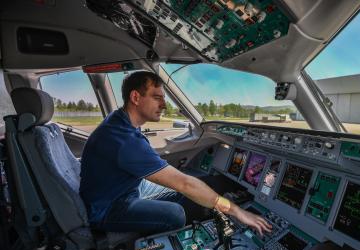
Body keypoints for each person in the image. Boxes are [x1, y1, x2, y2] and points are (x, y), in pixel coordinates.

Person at [79, 71, 272, 236]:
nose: (164, 104)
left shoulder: (119, 121)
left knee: (194, 185)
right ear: (136, 98)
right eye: (157, 97)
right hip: (108, 208)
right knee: (175, 213)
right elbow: (184, 184)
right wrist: (237, 211)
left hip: (122, 189)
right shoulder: (124, 139)